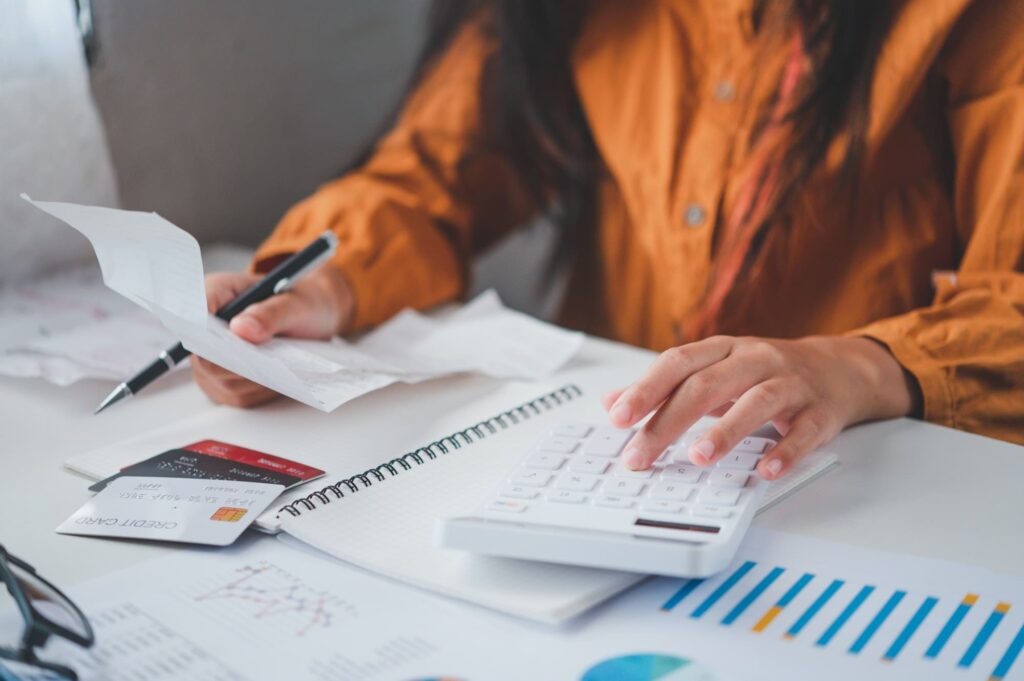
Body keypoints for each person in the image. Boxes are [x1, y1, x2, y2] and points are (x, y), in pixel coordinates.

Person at [193, 1, 1024, 480]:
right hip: (605, 459)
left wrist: (854, 364)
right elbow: (428, 171)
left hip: (872, 475)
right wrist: (321, 290)